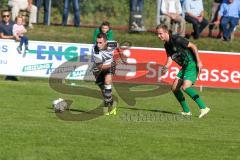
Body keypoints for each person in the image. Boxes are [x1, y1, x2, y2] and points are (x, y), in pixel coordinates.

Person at [156, 24, 210, 118]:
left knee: (185, 87)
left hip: (191, 64)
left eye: (160, 34)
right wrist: (165, 68)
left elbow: (193, 46)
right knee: (174, 88)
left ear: (166, 32)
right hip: (185, 66)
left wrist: (199, 61)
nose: (158, 36)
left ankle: (203, 107)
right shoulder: (167, 45)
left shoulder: (177, 39)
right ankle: (186, 111)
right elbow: (169, 59)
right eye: (157, 34)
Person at [91, 33, 116, 115]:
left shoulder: (112, 44)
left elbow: (119, 46)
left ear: (106, 42)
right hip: (98, 68)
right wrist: (113, 64)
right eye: (97, 42)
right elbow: (100, 66)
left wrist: (120, 55)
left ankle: (107, 106)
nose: (98, 45)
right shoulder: (95, 50)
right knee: (104, 91)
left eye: (100, 43)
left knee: (107, 82)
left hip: (110, 66)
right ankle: (111, 103)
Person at [0, 10, 18, 81]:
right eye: (4, 16)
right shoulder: (0, 24)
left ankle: (11, 75)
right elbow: (2, 36)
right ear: (2, 17)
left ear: (10, 16)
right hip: (3, 45)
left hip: (12, 45)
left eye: (7, 16)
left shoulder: (13, 23)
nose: (6, 17)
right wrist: (13, 37)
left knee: (12, 60)